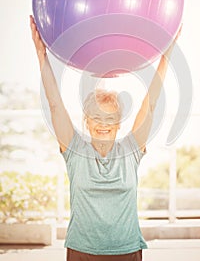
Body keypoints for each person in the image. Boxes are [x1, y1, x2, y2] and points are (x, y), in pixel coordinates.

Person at [30, 15, 180, 261]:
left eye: (110, 119)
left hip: (127, 250)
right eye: (96, 117)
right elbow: (55, 105)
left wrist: (167, 54)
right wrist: (41, 56)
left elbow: (149, 105)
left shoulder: (131, 150)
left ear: (120, 124)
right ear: (86, 121)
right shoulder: (74, 149)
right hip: (82, 251)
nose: (103, 124)